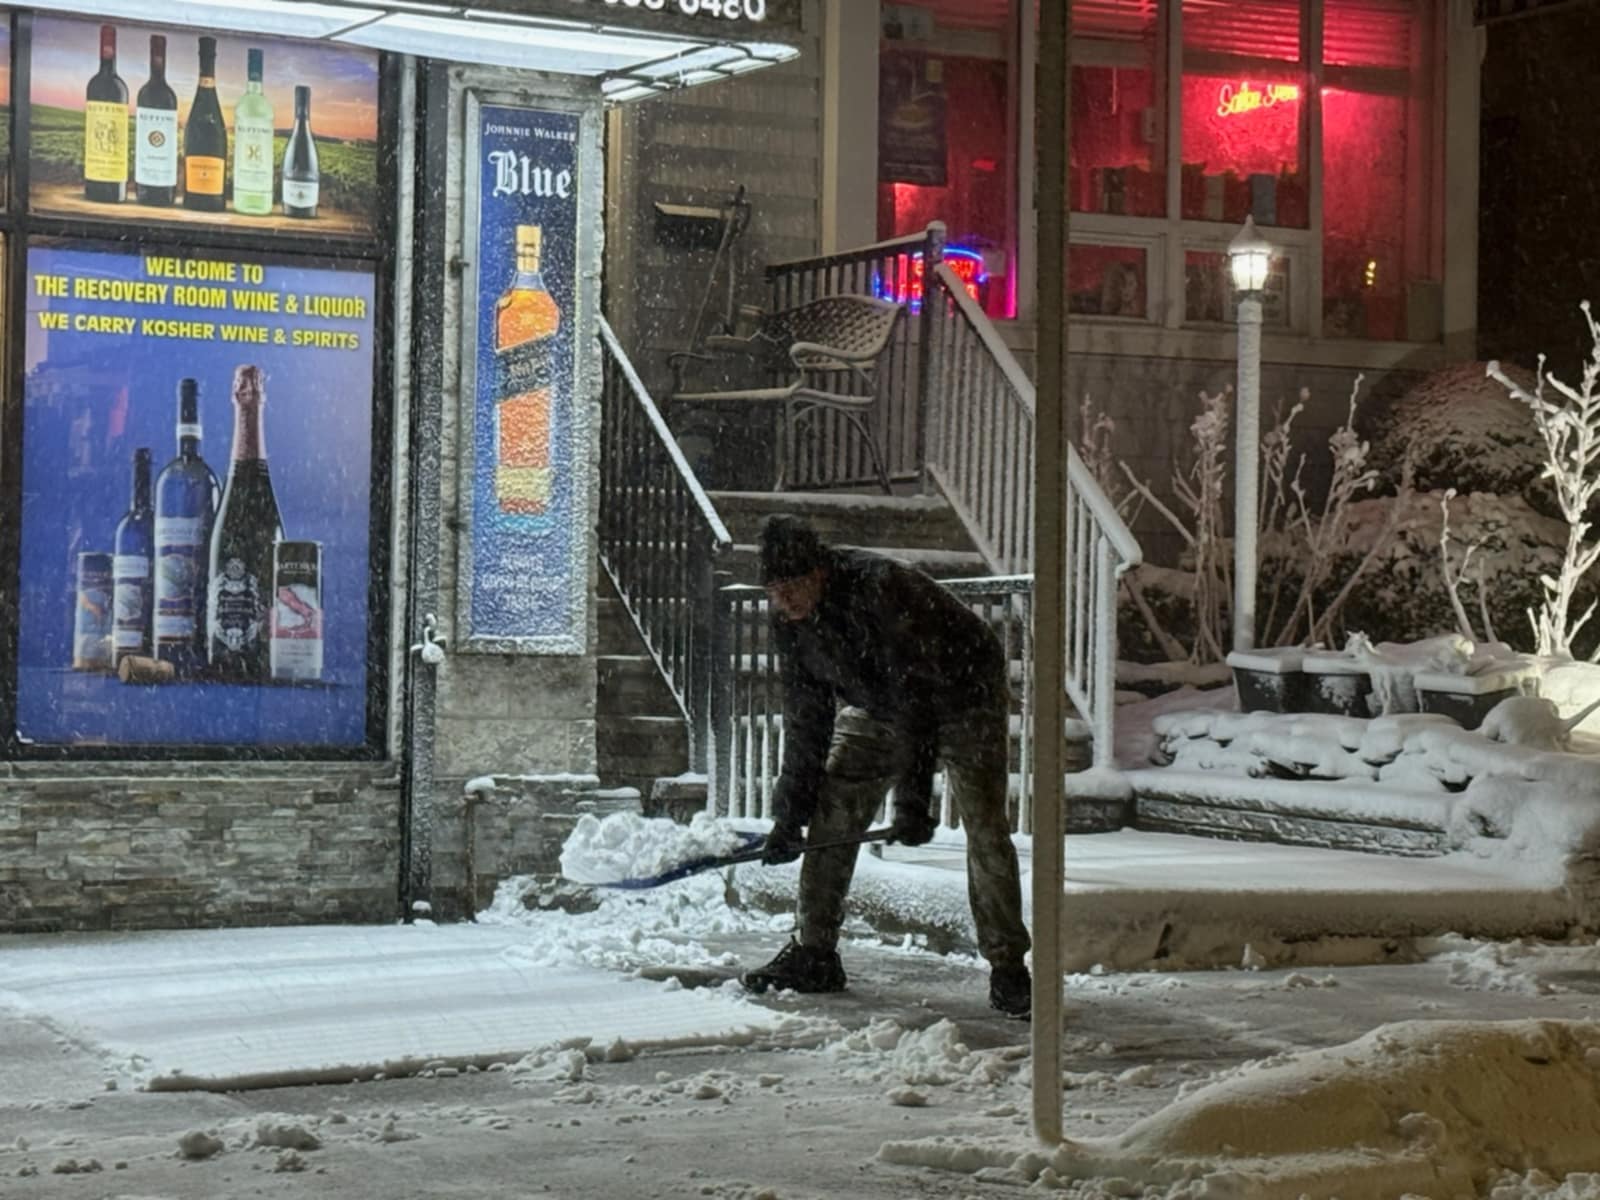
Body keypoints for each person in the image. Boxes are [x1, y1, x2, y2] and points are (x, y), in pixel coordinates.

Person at [740, 514, 1033, 1017]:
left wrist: (913, 803)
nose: (783, 601)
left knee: (985, 827)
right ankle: (815, 953)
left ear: (819, 574)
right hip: (879, 703)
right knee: (833, 806)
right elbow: (807, 720)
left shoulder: (880, 590)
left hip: (963, 693)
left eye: (792, 587)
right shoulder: (791, 622)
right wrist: (789, 819)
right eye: (773, 590)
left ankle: (1009, 967)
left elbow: (916, 698)